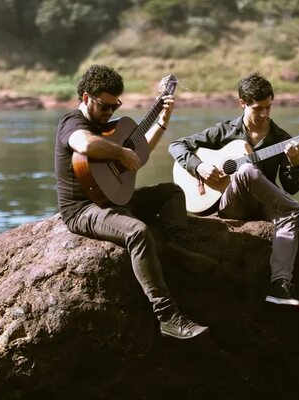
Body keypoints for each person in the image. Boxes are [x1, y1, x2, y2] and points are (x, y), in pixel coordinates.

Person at [54, 64, 209, 339]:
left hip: (115, 198)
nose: (110, 113)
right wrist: (120, 153)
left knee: (171, 192)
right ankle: (168, 317)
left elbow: (140, 154)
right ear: (87, 98)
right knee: (137, 232)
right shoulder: (72, 122)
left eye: (116, 106)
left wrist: (162, 121)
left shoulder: (111, 127)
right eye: (104, 106)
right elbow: (86, 145)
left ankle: (178, 247)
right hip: (83, 209)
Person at [168, 72, 299, 310]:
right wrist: (200, 167)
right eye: (258, 109)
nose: (265, 114)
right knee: (247, 169)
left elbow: (291, 188)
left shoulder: (281, 138)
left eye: (269, 107)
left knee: (287, 214)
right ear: (243, 104)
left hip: (263, 204)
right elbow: (176, 146)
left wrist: (296, 163)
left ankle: (279, 285)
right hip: (230, 203)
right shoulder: (225, 131)